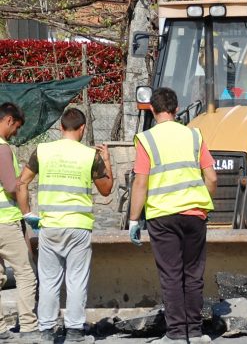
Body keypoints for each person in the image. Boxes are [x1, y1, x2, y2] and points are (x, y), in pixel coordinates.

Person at [128, 87, 217, 344]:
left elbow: (140, 183)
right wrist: (204, 204)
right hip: (194, 215)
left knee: (171, 274)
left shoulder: (147, 139)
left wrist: (135, 219)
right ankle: (196, 332)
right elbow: (211, 177)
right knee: (193, 274)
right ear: (177, 110)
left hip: (162, 216)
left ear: (153, 110)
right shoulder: (194, 136)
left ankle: (177, 334)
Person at [17, 108, 113, 342]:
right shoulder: (90, 156)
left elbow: (22, 183)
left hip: (49, 226)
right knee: (76, 280)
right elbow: (106, 189)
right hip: (78, 226)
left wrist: (28, 214)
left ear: (60, 128)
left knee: (49, 280)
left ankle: (47, 330)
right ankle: (74, 331)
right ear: (82, 129)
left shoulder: (43, 151)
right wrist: (107, 162)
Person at [0, 102, 39, 341]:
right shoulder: (3, 149)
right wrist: (24, 178)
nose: (16, 132)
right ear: (8, 120)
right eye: (16, 127)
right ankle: (28, 326)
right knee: (25, 274)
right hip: (5, 222)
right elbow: (11, 186)